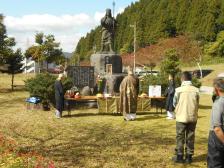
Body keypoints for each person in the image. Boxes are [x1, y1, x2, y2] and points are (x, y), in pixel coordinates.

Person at [172, 71, 200, 163]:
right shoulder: (196, 90)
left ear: (182, 79)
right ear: (190, 79)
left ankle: (179, 156)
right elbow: (197, 103)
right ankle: (189, 157)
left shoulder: (178, 90)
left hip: (181, 117)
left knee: (180, 137)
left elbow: (174, 103)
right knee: (190, 136)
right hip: (192, 117)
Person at [207, 77, 224, 168]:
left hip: (217, 139)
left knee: (215, 164)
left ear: (216, 89)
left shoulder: (219, 103)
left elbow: (217, 128)